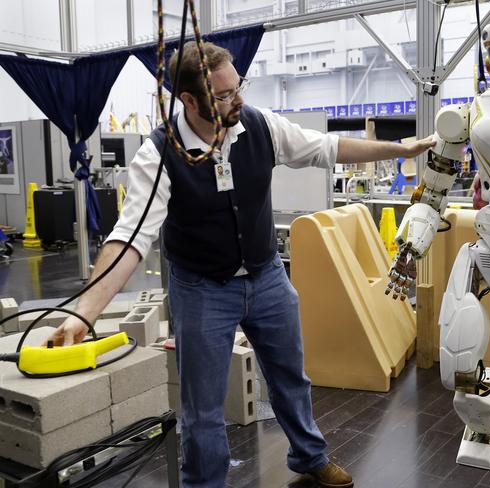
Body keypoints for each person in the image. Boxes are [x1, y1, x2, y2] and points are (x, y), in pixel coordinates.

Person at [46, 41, 436, 488]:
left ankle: (309, 456)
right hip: (200, 287)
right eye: (225, 95)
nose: (238, 100)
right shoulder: (158, 155)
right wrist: (84, 312)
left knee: (291, 378)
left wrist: (401, 151)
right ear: (189, 101)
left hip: (267, 276)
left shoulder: (259, 126)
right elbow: (130, 239)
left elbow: (328, 148)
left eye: (238, 87)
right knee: (204, 410)